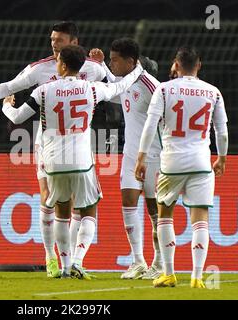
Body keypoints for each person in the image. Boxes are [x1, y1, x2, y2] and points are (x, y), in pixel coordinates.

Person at [0, 21, 106, 278]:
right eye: (52, 39)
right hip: (46, 143)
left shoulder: (91, 68)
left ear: (73, 42)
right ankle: (51, 257)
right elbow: (9, 87)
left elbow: (112, 83)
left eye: (59, 40)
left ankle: (69, 260)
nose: (53, 43)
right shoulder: (38, 70)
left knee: (74, 206)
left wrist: (103, 64)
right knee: (49, 199)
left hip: (79, 142)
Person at [1, 45, 143, 279]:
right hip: (81, 160)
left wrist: (7, 104)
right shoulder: (92, 89)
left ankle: (65, 267)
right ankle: (77, 261)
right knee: (89, 211)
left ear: (64, 65)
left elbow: (17, 117)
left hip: (54, 162)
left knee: (61, 214)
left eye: (58, 61)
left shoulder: (44, 91)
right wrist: (137, 71)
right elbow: (120, 86)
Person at [135, 46, 228, 288]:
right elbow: (222, 131)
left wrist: (141, 158)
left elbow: (149, 126)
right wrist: (222, 158)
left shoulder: (164, 90)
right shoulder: (213, 91)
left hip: (172, 163)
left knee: (165, 215)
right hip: (201, 161)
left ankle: (169, 273)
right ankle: (197, 277)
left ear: (176, 65)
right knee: (201, 220)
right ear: (199, 65)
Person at [89, 38, 163, 280]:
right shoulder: (125, 81)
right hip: (131, 154)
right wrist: (101, 67)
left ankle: (160, 263)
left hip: (154, 156)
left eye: (114, 60)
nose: (112, 63)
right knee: (128, 203)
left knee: (155, 211)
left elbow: (167, 115)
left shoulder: (152, 86)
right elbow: (112, 89)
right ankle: (138, 261)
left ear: (130, 62)